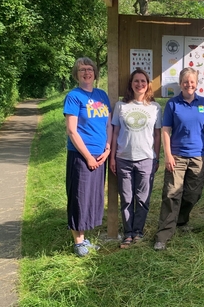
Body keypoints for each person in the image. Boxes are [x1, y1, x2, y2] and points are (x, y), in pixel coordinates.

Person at [154, 67, 204, 250]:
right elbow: (166, 130)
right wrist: (168, 155)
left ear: (196, 84)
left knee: (193, 194)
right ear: (180, 83)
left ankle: (181, 220)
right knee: (172, 194)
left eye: (192, 82)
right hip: (177, 156)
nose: (189, 85)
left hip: (199, 155)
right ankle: (163, 235)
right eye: (185, 81)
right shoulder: (173, 104)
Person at [63, 57, 112, 256]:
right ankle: (78, 241)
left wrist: (108, 148)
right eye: (82, 69)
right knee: (79, 197)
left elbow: (108, 124)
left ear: (95, 72)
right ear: (76, 74)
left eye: (90, 69)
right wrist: (88, 157)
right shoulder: (74, 96)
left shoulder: (102, 95)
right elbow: (72, 131)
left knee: (93, 196)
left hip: (100, 154)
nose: (86, 72)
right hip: (81, 156)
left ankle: (84, 238)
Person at [109, 69, 161, 249]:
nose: (140, 84)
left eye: (143, 81)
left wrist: (156, 156)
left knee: (142, 199)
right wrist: (113, 158)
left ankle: (138, 231)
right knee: (126, 198)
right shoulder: (121, 106)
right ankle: (128, 233)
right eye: (136, 81)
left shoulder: (155, 108)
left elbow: (157, 134)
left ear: (148, 85)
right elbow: (115, 132)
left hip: (146, 158)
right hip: (123, 158)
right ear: (131, 84)